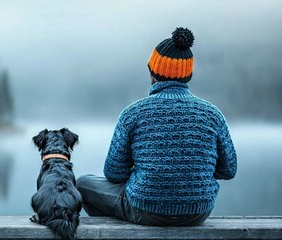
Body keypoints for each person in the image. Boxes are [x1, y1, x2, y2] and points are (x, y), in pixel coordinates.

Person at [76, 27, 237, 226]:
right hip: (198, 213)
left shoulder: (133, 113)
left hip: (144, 210)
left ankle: (116, 233)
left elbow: (114, 173)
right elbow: (229, 170)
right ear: (188, 76)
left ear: (153, 73)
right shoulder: (213, 114)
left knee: (82, 183)